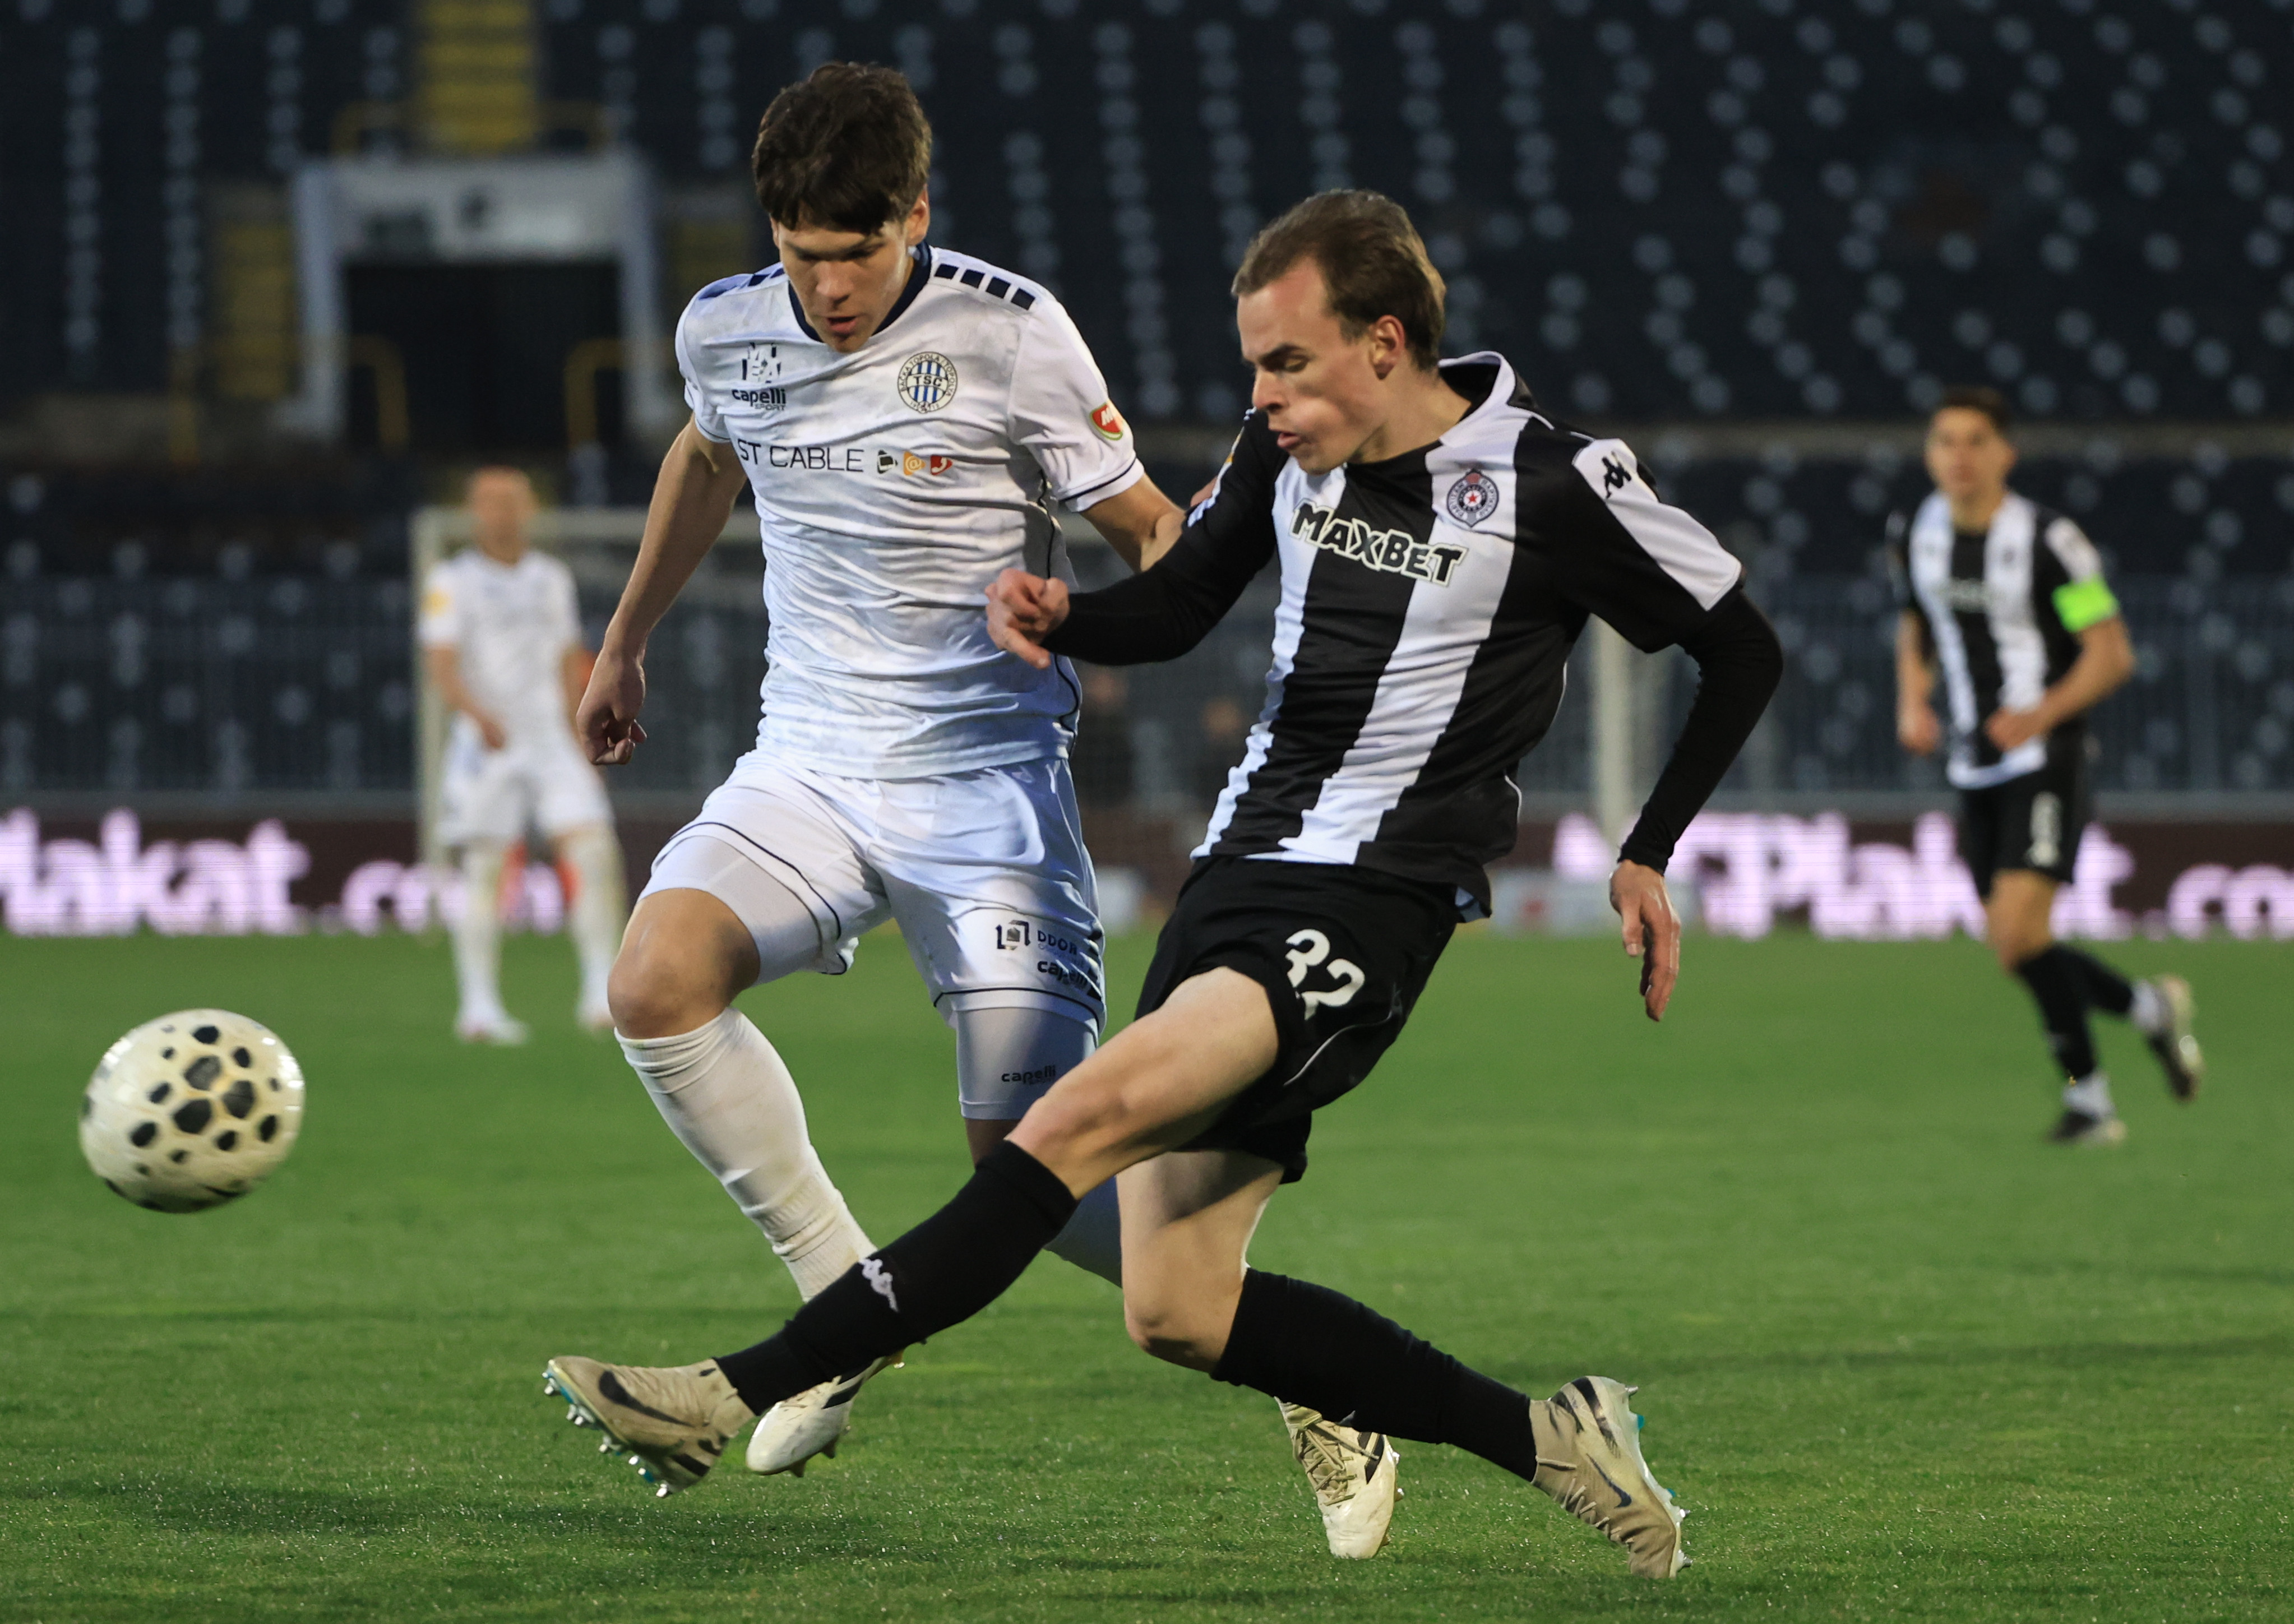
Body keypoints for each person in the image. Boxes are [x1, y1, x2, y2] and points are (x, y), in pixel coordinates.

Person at [544, 189, 1783, 1578]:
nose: (1262, 395)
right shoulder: (1283, 446)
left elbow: (1741, 647)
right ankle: (1552, 1436)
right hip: (1239, 872)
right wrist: (1068, 616)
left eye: (1287, 362)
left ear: (1384, 342)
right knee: (1177, 1307)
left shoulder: (1552, 481)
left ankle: (728, 1391)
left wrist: (1647, 847)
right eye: (1253, 364)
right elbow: (1185, 598)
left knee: (1065, 1121)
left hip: (1371, 899)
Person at [566, 67, 1390, 1550]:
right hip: (809, 763)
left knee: (1021, 1154)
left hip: (987, 788)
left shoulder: (1011, 332)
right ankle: (842, 1296)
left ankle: (1309, 1371)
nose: (827, 287)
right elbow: (705, 451)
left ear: (916, 216)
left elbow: (1145, 526)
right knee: (652, 981)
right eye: (801, 254)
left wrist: (1240, 624)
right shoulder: (722, 328)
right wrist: (625, 640)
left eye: (856, 252)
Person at [1891, 387, 2202, 1144]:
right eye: (1945, 441)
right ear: (1930, 454)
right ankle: (2149, 1011)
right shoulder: (1919, 532)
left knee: (2018, 935)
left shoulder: (2049, 543)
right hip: (1973, 765)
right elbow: (1916, 618)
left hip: (2045, 759)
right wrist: (1913, 699)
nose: (1959, 457)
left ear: (2006, 453)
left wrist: (2043, 711)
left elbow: (2111, 652)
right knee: (2016, 948)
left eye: (1975, 441)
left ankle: (2089, 1100)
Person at [418, 466, 625, 1043]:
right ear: (472, 511)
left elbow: (567, 660)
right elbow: (441, 664)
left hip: (550, 736)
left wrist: (581, 734)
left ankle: (600, 995)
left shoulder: (551, 578)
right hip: (488, 740)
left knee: (594, 853)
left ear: (529, 508)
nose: (502, 512)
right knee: (486, 867)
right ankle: (479, 1007)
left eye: (511, 501)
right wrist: (478, 716)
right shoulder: (451, 580)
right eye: (490, 501)